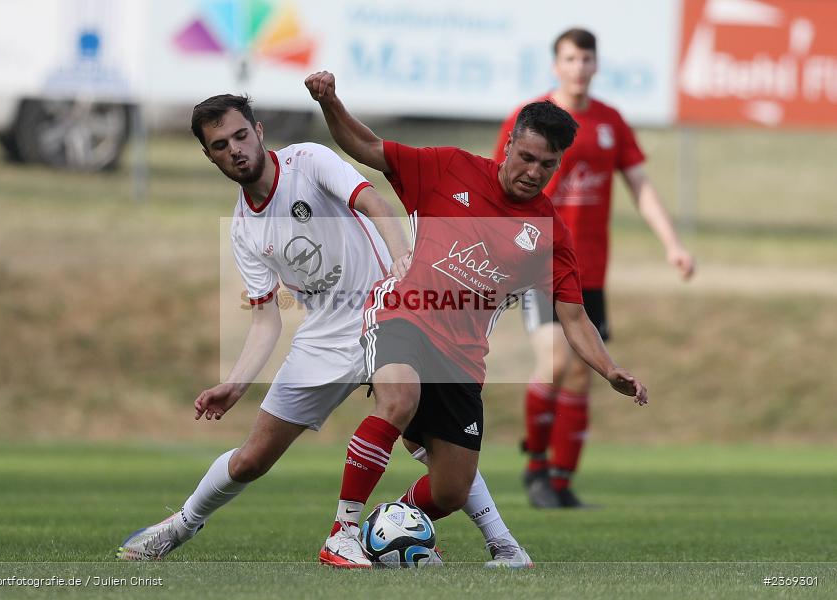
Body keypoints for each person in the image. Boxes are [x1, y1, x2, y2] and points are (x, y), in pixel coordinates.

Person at [116, 93, 532, 568]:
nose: (234, 149)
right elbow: (265, 317)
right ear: (209, 155)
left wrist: (401, 259)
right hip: (326, 336)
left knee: (424, 436)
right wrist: (236, 382)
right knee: (252, 459)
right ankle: (180, 526)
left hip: (392, 311)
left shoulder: (308, 161)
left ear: (259, 132)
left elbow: (373, 200)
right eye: (219, 145)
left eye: (240, 135)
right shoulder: (242, 229)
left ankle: (385, 535)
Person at [305, 70, 648, 569]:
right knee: (399, 396)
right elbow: (366, 145)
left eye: (547, 165)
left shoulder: (551, 232)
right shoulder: (448, 168)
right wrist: (330, 101)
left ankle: (397, 522)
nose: (533, 171)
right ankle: (343, 532)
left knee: (449, 489)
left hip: (462, 356)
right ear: (508, 145)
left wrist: (609, 368)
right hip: (403, 314)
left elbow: (574, 317)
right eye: (526, 157)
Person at [492, 28, 695, 509]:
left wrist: (672, 245)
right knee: (556, 362)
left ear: (596, 65)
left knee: (583, 374)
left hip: (591, 271)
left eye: (586, 59)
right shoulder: (529, 120)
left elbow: (640, 186)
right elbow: (497, 181)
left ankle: (561, 481)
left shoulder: (610, 122)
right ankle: (536, 468)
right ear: (556, 65)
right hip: (536, 262)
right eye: (569, 58)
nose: (578, 67)